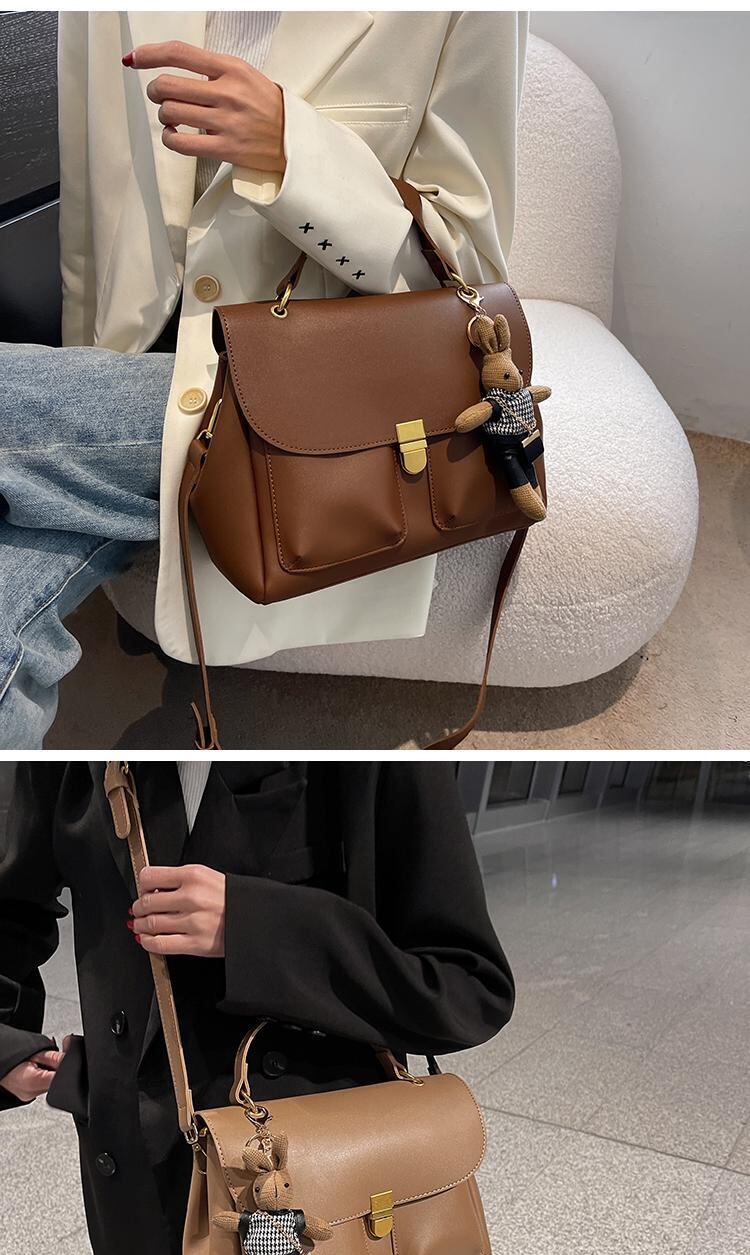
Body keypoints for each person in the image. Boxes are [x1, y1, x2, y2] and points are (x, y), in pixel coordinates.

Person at [0, 11, 528, 747]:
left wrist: (296, 154)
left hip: (307, 401)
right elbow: (96, 206)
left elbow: (466, 272)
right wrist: (88, 371)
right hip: (140, 357)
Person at [0, 758, 515, 1255]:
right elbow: (13, 897)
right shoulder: (92, 744)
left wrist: (256, 926)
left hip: (312, 1213)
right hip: (144, 1204)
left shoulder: (364, 742)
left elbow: (467, 984)